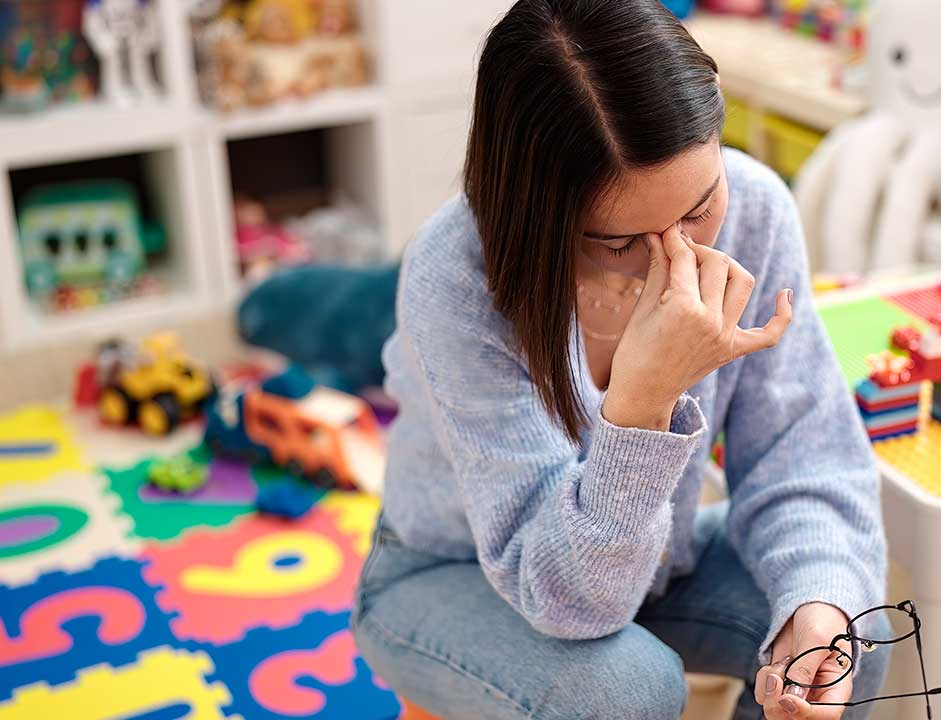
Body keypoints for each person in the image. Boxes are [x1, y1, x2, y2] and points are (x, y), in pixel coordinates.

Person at [350, 1, 888, 718]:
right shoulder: (457, 273)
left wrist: (817, 600)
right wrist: (643, 401)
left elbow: (807, 458)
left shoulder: (757, 210)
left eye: (700, 207)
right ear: (538, 210)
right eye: (617, 241)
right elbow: (565, 600)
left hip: (650, 566)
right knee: (628, 690)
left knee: (850, 635)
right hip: (451, 573)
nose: (679, 257)